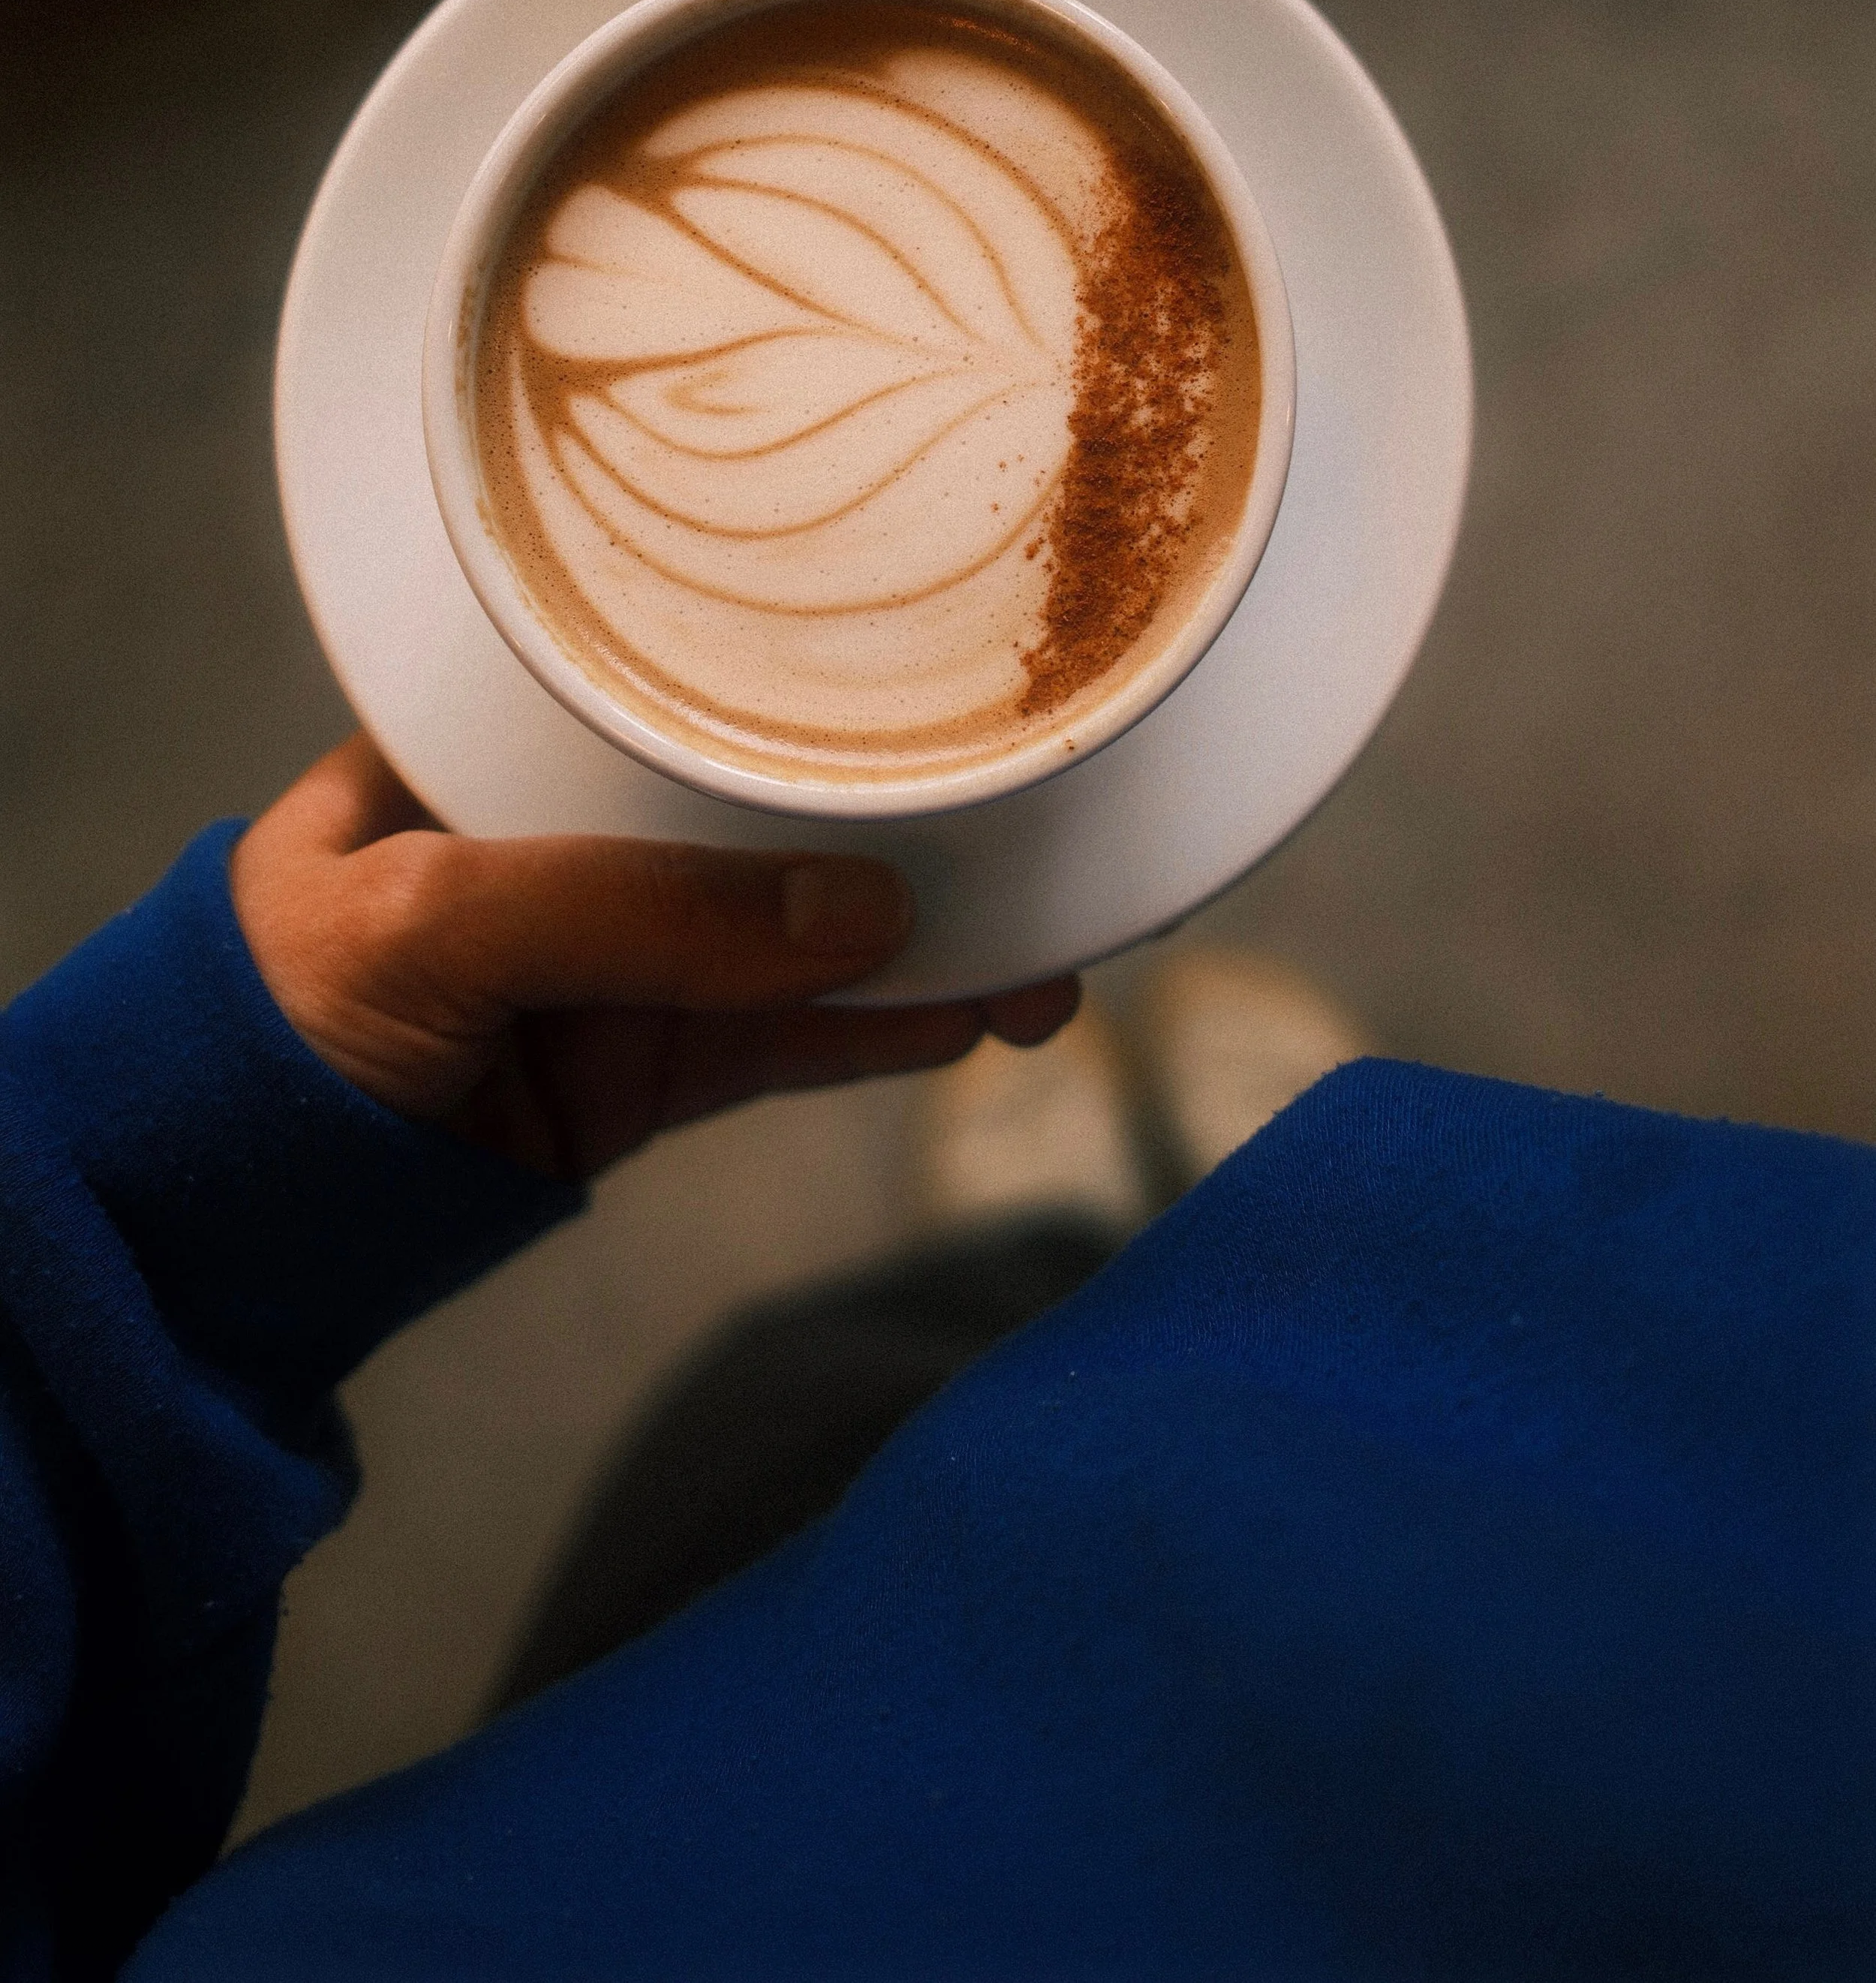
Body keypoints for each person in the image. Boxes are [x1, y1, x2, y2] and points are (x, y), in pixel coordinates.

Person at [1, 739, 1870, 1978]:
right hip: (1704, 1563)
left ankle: (1070, 1251)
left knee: (824, 1402)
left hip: (662, 1820)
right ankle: (1259, 1227)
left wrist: (146, 1210)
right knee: (1380, 1341)